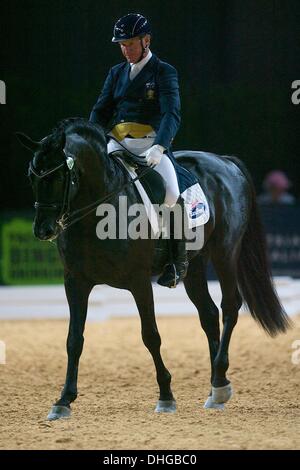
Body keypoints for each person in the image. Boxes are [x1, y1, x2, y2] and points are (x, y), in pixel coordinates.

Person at [90, 13, 188, 287]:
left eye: (130, 44)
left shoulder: (163, 71)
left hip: (151, 144)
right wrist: (91, 137)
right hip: (118, 141)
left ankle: (177, 262)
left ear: (146, 41)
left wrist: (160, 146)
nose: (126, 50)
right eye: (121, 45)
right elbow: (101, 110)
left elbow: (172, 114)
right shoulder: (116, 72)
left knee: (171, 193)